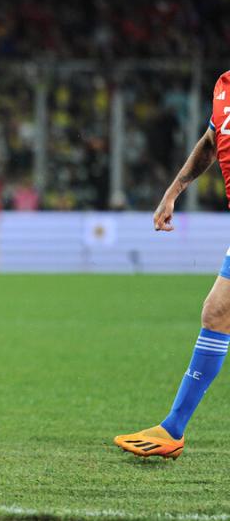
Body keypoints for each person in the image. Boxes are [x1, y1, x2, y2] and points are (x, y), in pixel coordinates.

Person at [114, 71, 230, 459]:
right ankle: (172, 429)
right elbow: (212, 141)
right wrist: (174, 190)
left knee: (217, 313)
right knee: (217, 313)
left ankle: (174, 426)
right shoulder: (224, 87)